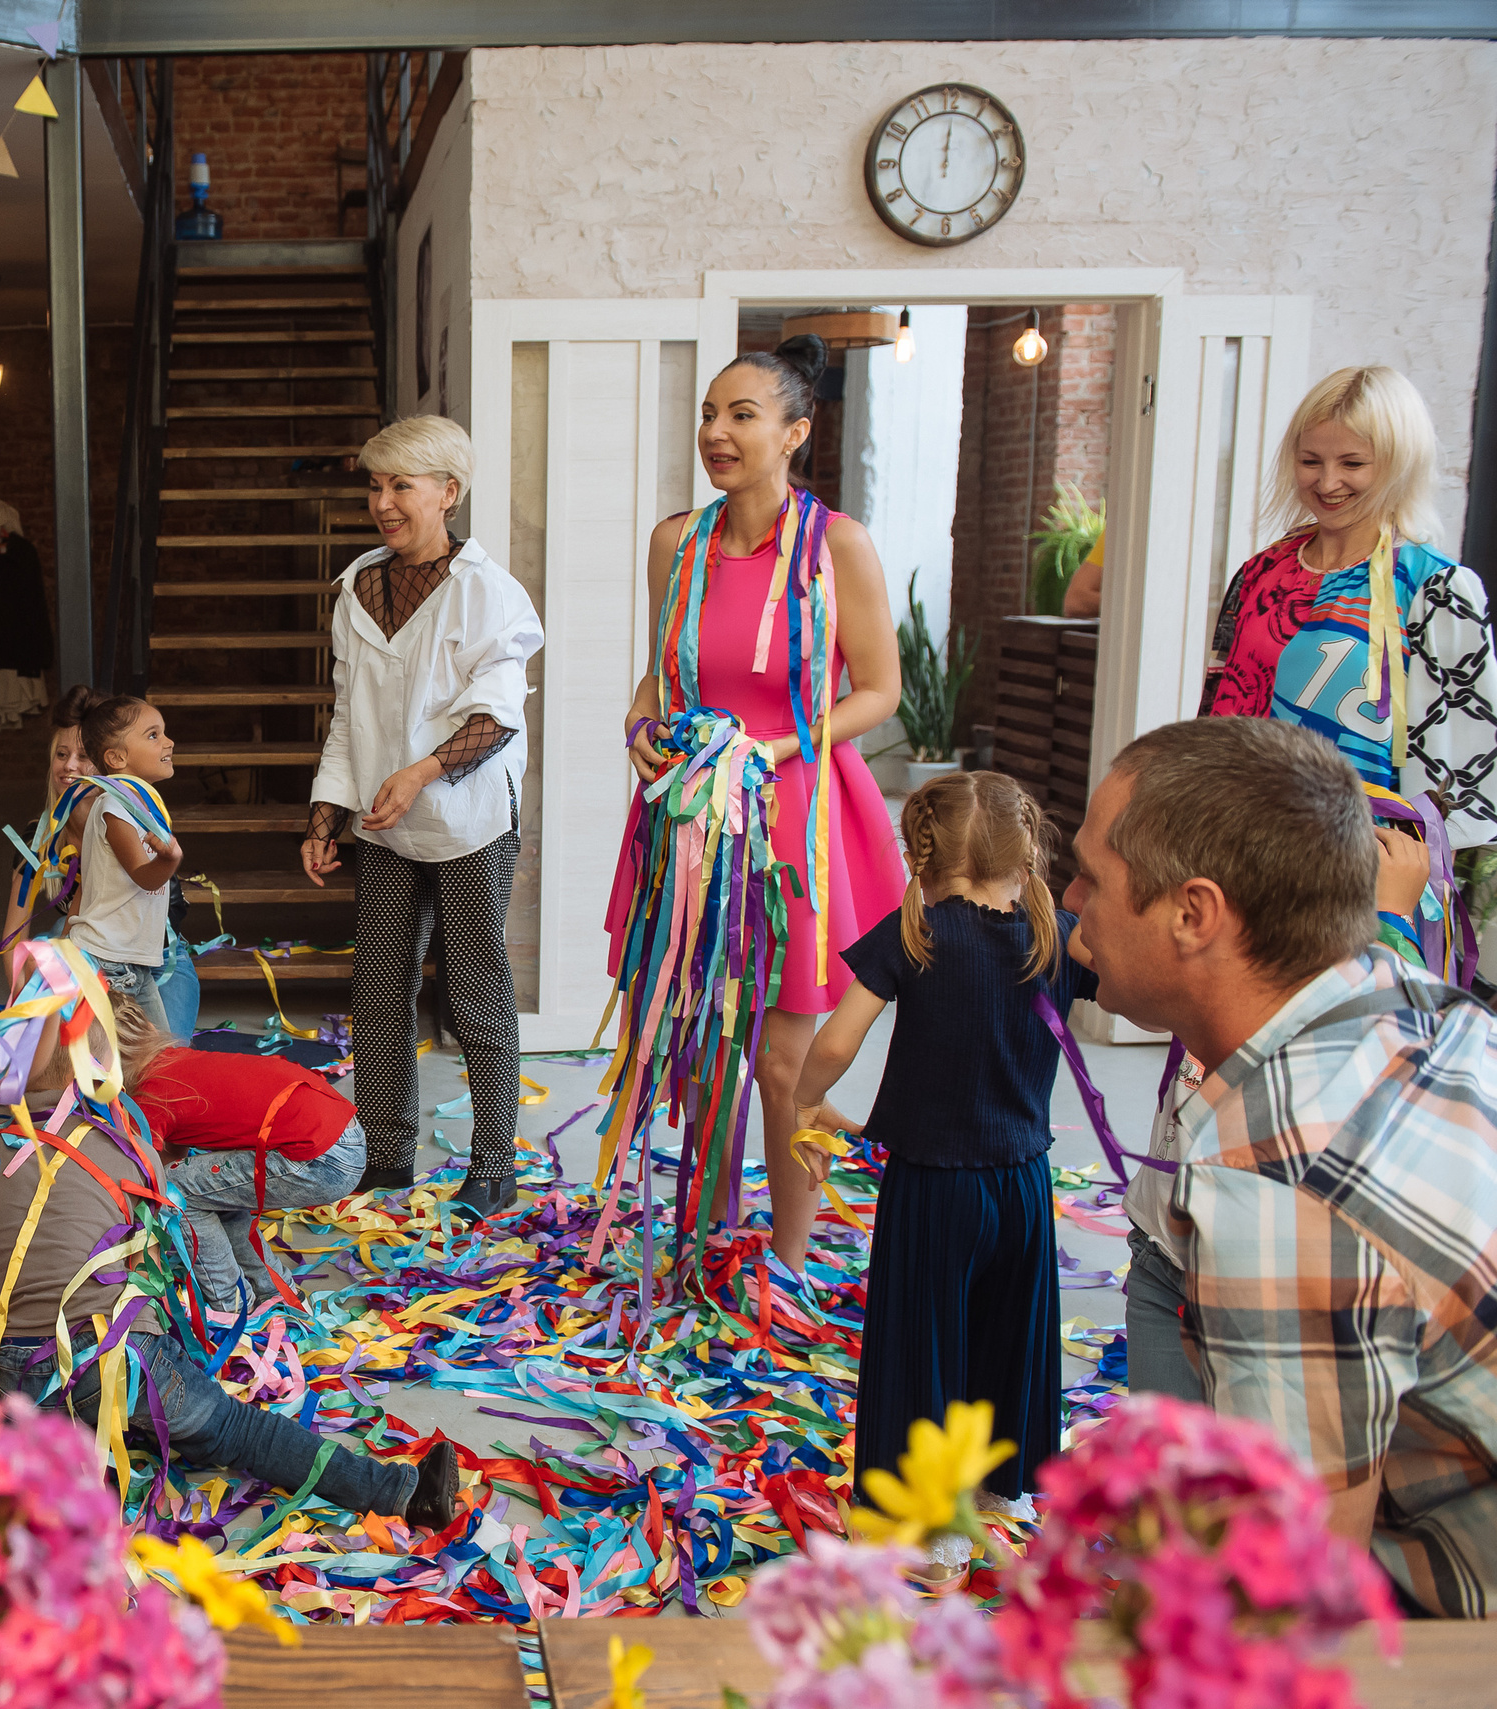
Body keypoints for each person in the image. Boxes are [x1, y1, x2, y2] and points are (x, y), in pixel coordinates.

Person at [1065, 716, 1497, 1618]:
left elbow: (1292, 1602)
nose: (1070, 903)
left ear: (1194, 913)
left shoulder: (1274, 1190)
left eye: (1093, 879)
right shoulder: (1401, 994)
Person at [0, 992, 458, 1529]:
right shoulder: (127, 1149)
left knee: (72, 1434)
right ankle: (402, 1493)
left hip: (21, 1372)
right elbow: (147, 1271)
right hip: (119, 1357)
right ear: (108, 1076)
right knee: (235, 1429)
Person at [624, 337, 906, 1279]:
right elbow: (659, 680)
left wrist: (780, 747)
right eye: (710, 413)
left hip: (795, 829)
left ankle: (788, 1253)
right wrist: (641, 728)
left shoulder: (839, 546)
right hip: (691, 828)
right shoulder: (678, 542)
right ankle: (705, 1241)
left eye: (741, 415)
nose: (716, 431)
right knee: (700, 1054)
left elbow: (879, 690)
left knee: (784, 1064)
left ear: (796, 431)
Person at [794, 771, 1097, 1575]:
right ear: (1024, 849)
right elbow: (1134, 995)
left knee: (925, 1343)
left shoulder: (915, 935)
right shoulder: (1058, 933)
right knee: (1011, 1333)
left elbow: (832, 1042)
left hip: (933, 1186)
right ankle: (1003, 1489)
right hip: (1024, 1182)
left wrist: (807, 1101)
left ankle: (935, 1525)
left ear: (919, 857)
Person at [303, 415, 544, 1222]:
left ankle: (495, 1162)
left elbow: (497, 716)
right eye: (375, 485)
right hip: (384, 818)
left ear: (449, 492)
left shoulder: (490, 594)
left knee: (476, 989)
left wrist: (422, 771)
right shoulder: (357, 588)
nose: (383, 502)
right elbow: (349, 715)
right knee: (377, 989)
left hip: (469, 816)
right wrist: (326, 812)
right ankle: (386, 1152)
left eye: (401, 485)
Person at [1199, 366, 1495, 972]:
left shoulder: (1435, 587)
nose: (1328, 482)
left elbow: (1472, 766)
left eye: (1352, 464)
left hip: (1362, 881)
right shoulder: (1259, 575)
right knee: (1222, 1051)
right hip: (1244, 859)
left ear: (1396, 463)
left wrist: (1402, 875)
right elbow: (1218, 720)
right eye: (1311, 461)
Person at [114, 995, 366, 1313]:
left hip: (323, 1157)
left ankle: (231, 1308)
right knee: (206, 1189)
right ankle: (278, 1294)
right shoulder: (171, 1060)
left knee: (178, 1191)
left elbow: (145, 1177)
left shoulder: (152, 1095)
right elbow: (173, 1154)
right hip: (341, 1132)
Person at [56, 691, 184, 1033]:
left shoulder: (139, 804)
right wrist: (171, 860)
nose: (169, 742)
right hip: (109, 962)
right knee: (138, 1061)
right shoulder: (116, 807)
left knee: (158, 1058)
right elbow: (144, 876)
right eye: (154, 735)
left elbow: (91, 889)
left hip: (129, 964)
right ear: (116, 757)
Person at [0, 694, 98, 960]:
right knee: (40, 954)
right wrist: (22, 1000)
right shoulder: (39, 836)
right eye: (62, 754)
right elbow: (13, 937)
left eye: (84, 756)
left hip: (155, 956)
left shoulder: (128, 828)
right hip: (83, 942)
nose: (69, 765)